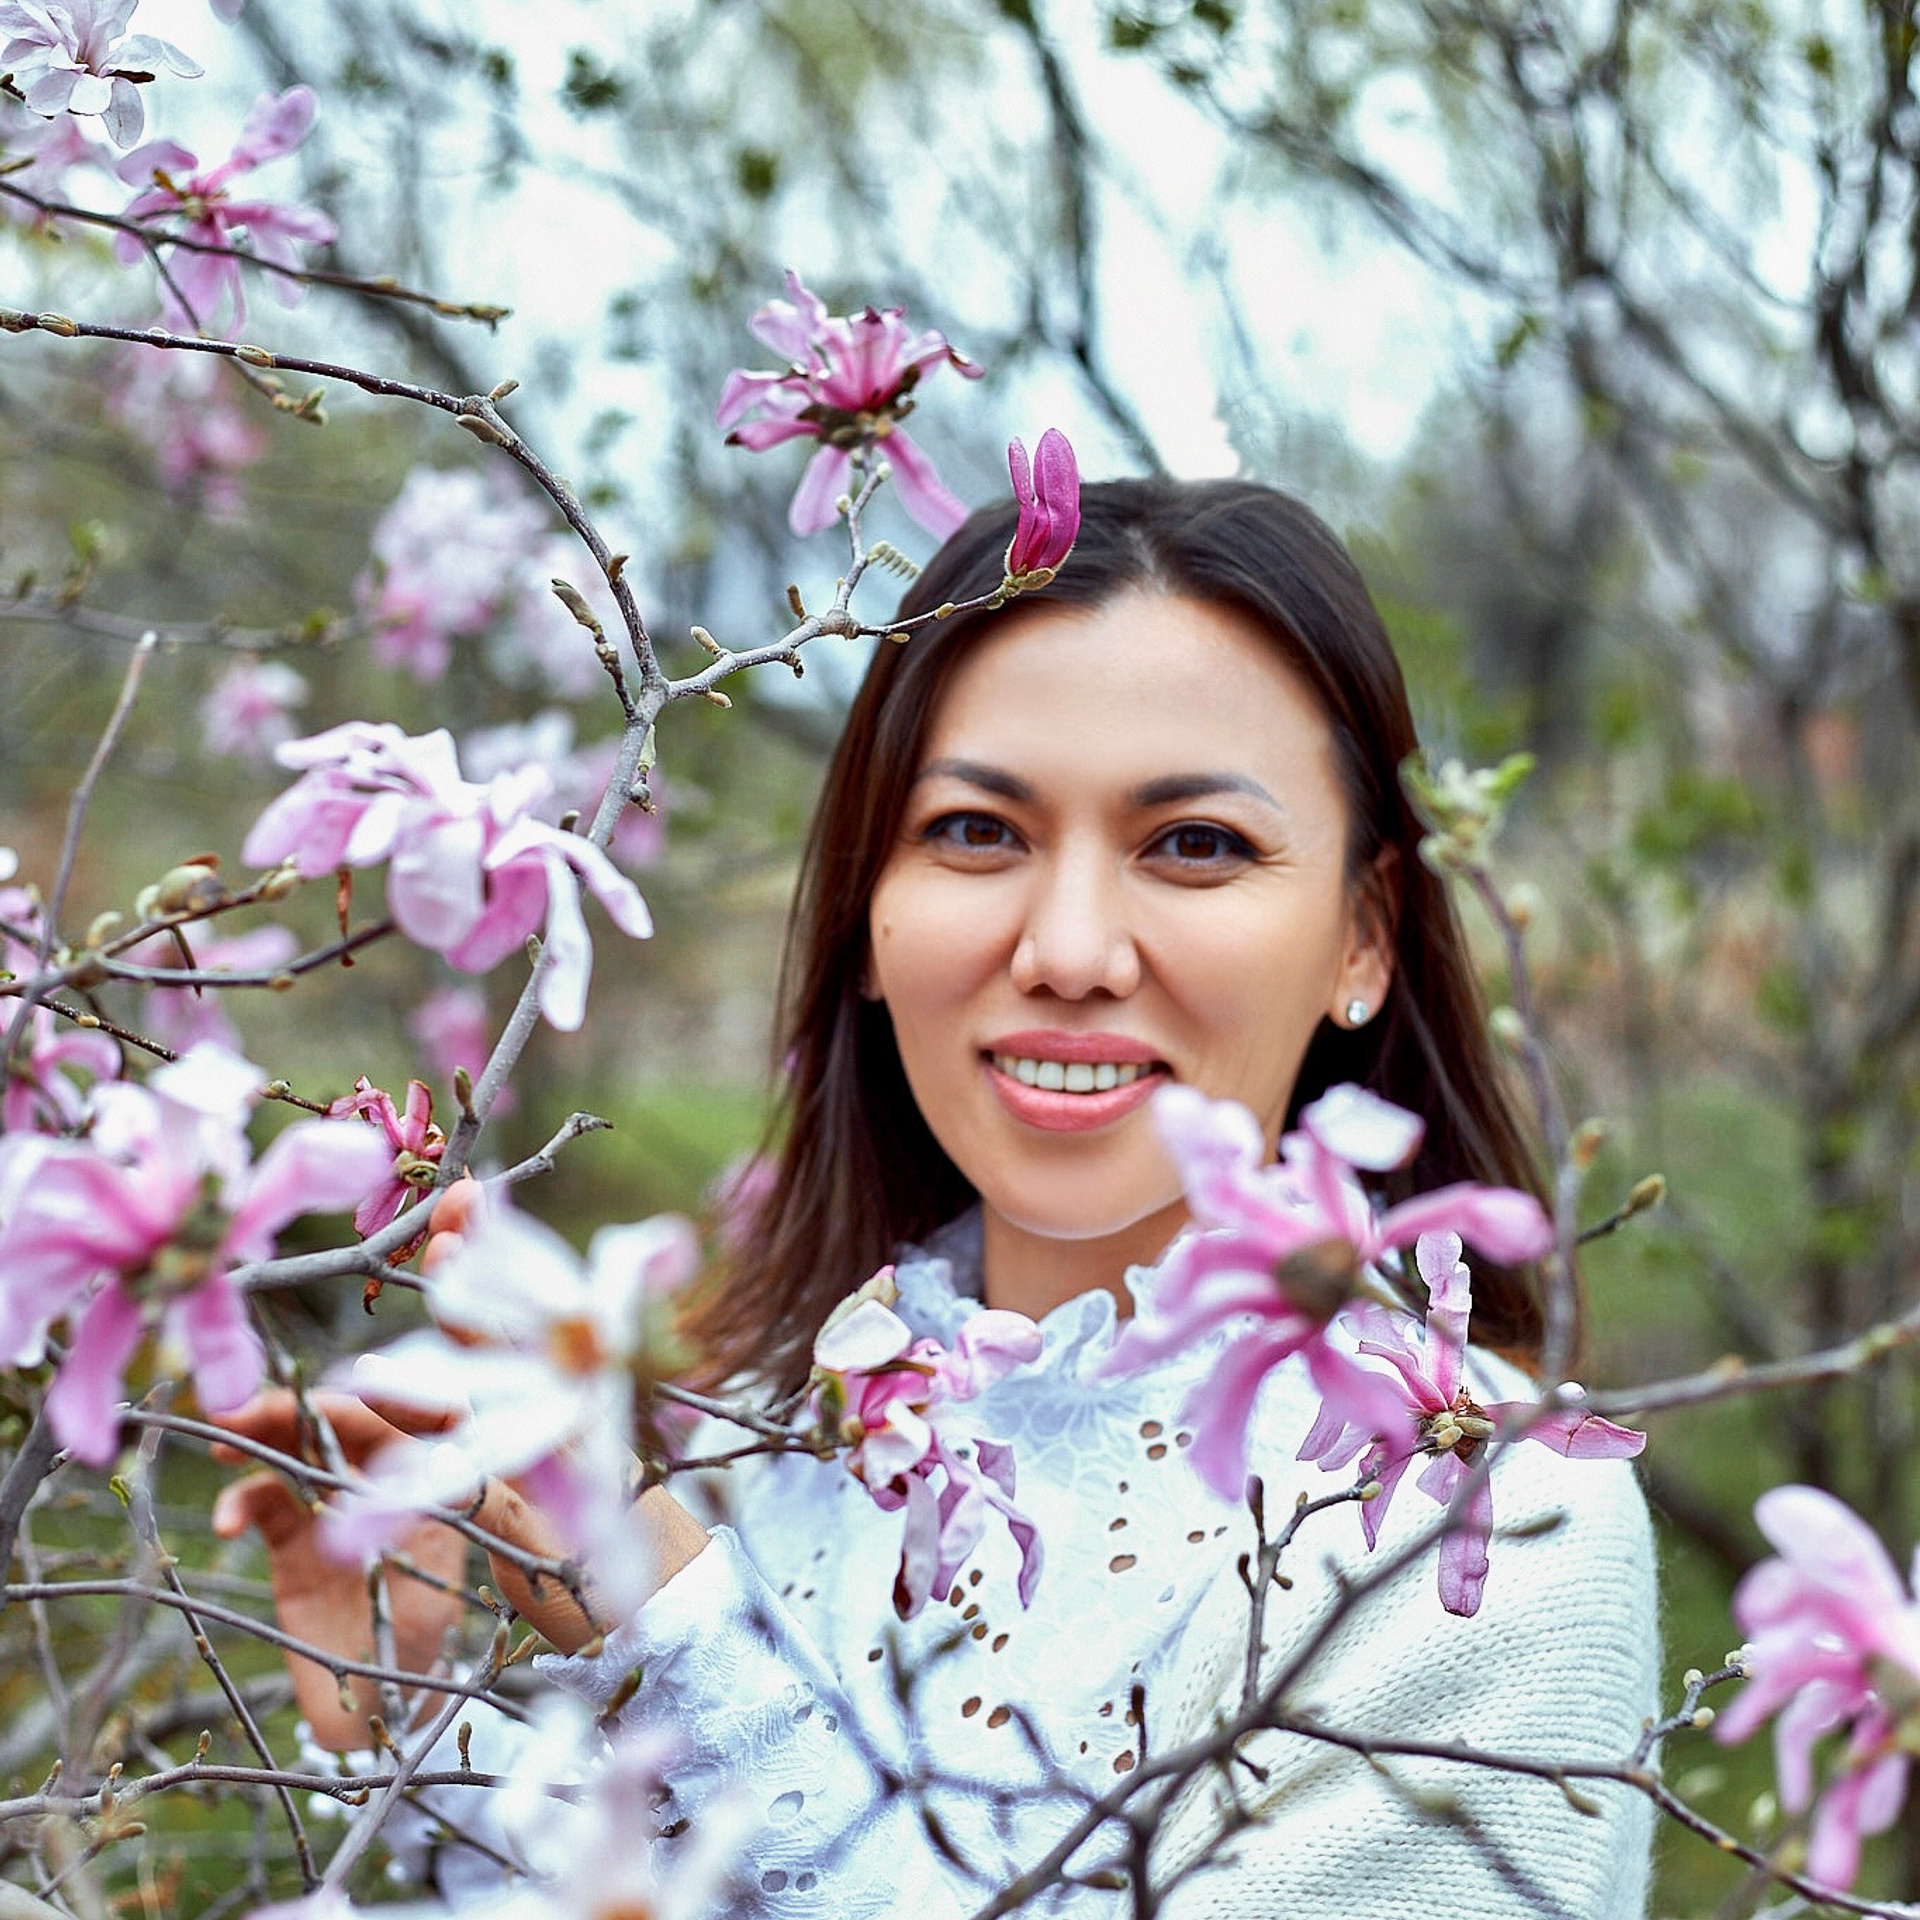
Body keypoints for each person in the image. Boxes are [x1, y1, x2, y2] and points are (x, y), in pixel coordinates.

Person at [215, 478, 1658, 1916]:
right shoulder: (745, 1438)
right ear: (866, 921)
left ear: (1364, 937)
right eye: (978, 832)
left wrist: (685, 1642)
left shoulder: (1498, 1527)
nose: (1073, 948)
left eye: (1196, 844)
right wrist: (405, 1720)